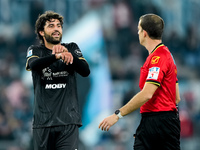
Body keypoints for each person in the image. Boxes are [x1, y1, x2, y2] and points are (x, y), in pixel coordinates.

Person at [99, 14, 181, 150]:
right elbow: (176, 97)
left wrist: (117, 115)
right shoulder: (166, 56)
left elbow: (147, 94)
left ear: (144, 33)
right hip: (157, 121)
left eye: (138, 29)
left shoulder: (158, 58)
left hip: (159, 123)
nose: (137, 33)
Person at [26, 11, 90, 150]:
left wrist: (68, 55)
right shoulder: (35, 50)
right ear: (41, 32)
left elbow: (85, 71)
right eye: (51, 26)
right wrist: (57, 56)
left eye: (59, 25)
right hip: (43, 123)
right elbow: (33, 65)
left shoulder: (72, 48)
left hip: (68, 122)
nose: (56, 28)